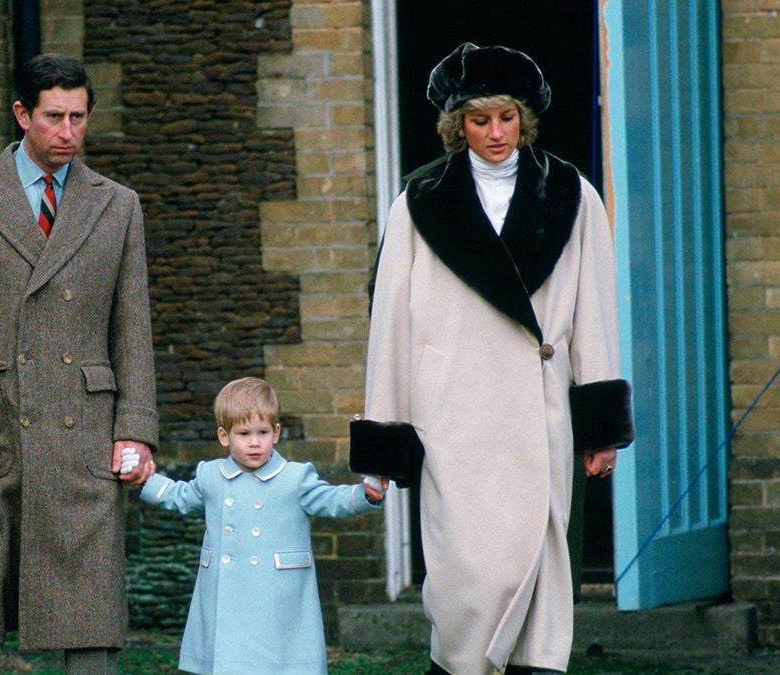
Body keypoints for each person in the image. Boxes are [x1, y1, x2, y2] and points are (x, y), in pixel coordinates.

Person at [363, 43, 634, 675]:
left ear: (524, 118)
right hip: (450, 417)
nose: (495, 133)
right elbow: (390, 327)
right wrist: (385, 440)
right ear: (458, 123)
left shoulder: (573, 196)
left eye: (506, 117)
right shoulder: (420, 201)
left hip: (536, 420)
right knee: (468, 579)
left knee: (536, 576)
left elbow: (594, 314)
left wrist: (600, 429)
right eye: (480, 119)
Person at [0, 53, 159, 675]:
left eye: (78, 117)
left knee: (89, 618)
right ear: (22, 115)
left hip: (85, 434)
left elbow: (134, 326)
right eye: (53, 118)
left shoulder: (118, 205)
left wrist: (137, 429)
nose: (67, 132)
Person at [138, 377, 386, 675]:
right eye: (243, 433)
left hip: (278, 594)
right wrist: (146, 480)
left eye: (263, 432)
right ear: (223, 436)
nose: (254, 442)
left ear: (276, 433)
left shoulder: (295, 477)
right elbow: (181, 496)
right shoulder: (211, 475)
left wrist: (364, 495)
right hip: (224, 592)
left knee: (277, 664)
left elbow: (330, 499)